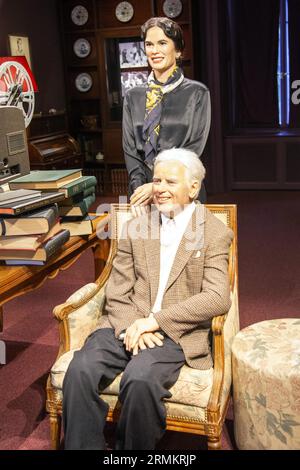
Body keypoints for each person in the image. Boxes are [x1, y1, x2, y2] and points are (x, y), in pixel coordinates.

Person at [62, 148, 233, 450]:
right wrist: (131, 328)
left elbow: (217, 298)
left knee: (140, 381)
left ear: (193, 187)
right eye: (156, 181)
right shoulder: (137, 226)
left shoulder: (213, 232)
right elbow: (117, 289)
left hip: (174, 332)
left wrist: (154, 322)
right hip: (125, 322)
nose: (160, 189)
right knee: (80, 370)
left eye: (170, 182)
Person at [122, 17, 211, 206]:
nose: (154, 51)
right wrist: (140, 187)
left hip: (181, 189)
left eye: (162, 43)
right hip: (142, 192)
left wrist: (158, 185)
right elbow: (130, 149)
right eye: (149, 44)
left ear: (178, 50)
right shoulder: (132, 96)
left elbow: (194, 148)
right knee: (142, 236)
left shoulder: (198, 93)